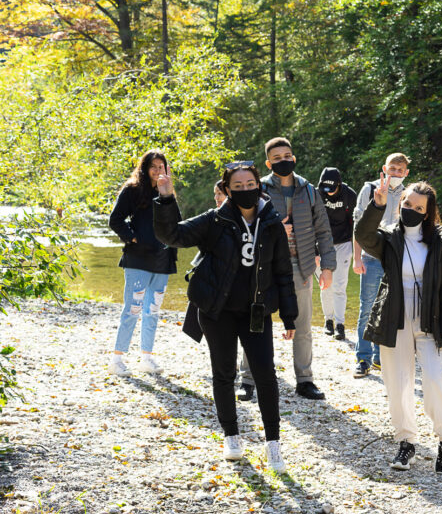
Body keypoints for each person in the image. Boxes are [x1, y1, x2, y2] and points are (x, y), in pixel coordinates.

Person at [154, 162, 297, 472]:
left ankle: (273, 443)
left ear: (259, 186)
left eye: (250, 184)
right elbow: (172, 235)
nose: (245, 190)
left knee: (265, 374)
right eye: (238, 186)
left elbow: (283, 272)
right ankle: (231, 436)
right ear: (227, 190)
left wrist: (289, 316)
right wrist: (166, 199)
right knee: (223, 373)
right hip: (217, 311)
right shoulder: (214, 220)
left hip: (256, 311)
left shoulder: (271, 222)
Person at [354, 173, 442, 474]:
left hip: (431, 319)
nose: (411, 210)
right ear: (400, 203)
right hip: (394, 317)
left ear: (428, 214)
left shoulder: (439, 241)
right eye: (407, 204)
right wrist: (377, 205)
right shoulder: (388, 237)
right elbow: (363, 235)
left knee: (435, 379)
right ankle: (406, 443)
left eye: (418, 208)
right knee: (397, 384)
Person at [237, 137, 335, 402]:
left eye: (287, 156)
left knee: (302, 327)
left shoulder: (309, 190)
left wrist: (327, 267)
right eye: (277, 158)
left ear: (294, 158)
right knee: (256, 322)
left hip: (302, 267)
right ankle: (246, 380)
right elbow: (245, 226)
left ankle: (305, 381)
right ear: (269, 163)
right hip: (264, 267)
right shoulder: (257, 190)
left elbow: (324, 231)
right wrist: (275, 229)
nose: (283, 161)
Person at [107, 150, 177, 376]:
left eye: (161, 167)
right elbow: (115, 219)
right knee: (133, 309)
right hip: (138, 258)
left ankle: (147, 358)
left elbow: (176, 222)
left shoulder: (167, 191)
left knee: (153, 310)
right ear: (145, 168)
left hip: (163, 259)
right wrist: (133, 237)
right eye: (154, 167)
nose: (158, 171)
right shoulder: (133, 189)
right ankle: (117, 360)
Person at [352, 152, 410, 378]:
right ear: (384, 169)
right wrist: (357, 258)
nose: (395, 173)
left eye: (399, 170)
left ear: (406, 173)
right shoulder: (370, 190)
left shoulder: (409, 193)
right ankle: (363, 358)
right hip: (370, 257)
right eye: (391, 169)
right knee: (367, 307)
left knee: (390, 307)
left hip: (396, 257)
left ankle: (380, 357)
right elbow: (358, 226)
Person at [317, 167, 358, 340]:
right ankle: (328, 321)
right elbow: (309, 222)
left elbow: (356, 223)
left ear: (339, 184)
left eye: (332, 189)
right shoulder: (316, 194)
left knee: (339, 285)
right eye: (325, 188)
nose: (328, 193)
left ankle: (340, 324)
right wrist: (313, 252)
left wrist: (356, 251)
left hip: (343, 242)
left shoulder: (349, 194)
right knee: (325, 285)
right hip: (320, 244)